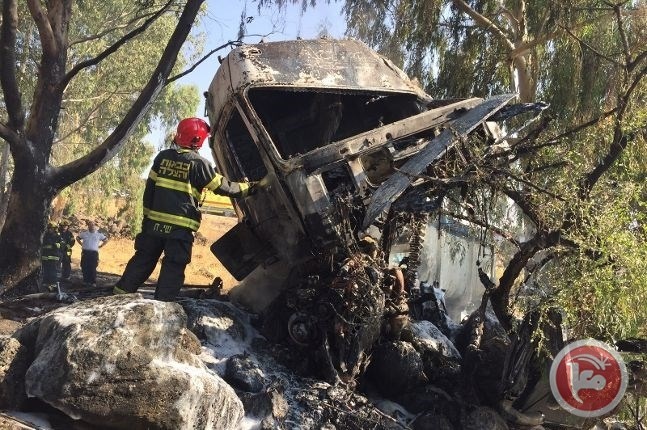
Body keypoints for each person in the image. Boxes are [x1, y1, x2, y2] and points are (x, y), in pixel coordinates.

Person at [113, 117, 257, 301]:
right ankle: (163, 307)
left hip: (153, 225)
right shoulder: (199, 164)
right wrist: (249, 188)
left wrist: (147, 220)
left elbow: (149, 191)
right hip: (180, 229)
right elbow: (223, 187)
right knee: (173, 266)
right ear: (198, 140)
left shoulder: (162, 158)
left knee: (142, 260)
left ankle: (118, 297)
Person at [76, 220, 108, 287]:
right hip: (85, 253)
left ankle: (93, 282)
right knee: (84, 266)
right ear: (88, 226)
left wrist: (101, 246)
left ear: (95, 226)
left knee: (92, 267)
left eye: (93, 225)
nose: (92, 226)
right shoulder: (84, 233)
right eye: (90, 225)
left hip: (94, 253)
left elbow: (106, 240)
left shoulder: (99, 234)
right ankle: (86, 281)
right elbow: (77, 238)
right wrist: (81, 244)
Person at [42, 221, 62, 291]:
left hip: (53, 256)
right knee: (46, 270)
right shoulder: (45, 235)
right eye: (49, 228)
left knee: (53, 270)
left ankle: (53, 284)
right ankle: (46, 284)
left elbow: (61, 245)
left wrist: (55, 245)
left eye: (51, 228)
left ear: (54, 229)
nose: (49, 229)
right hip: (45, 256)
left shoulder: (57, 236)